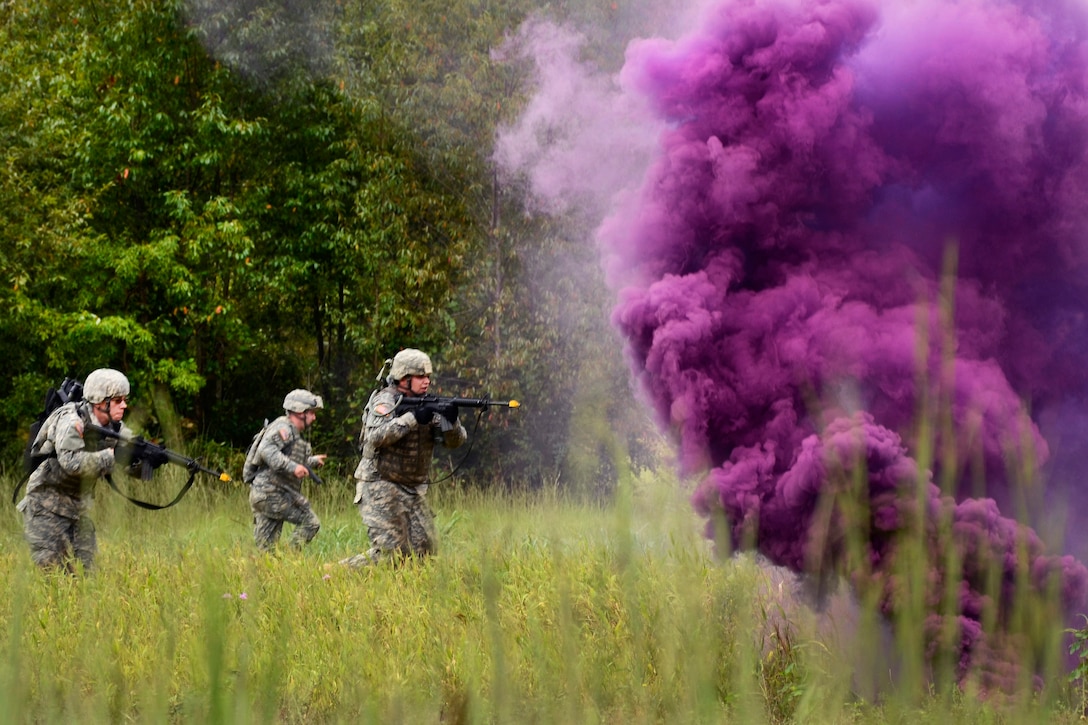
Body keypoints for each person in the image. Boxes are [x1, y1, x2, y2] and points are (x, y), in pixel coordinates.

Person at [339, 348, 466, 568]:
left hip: (413, 487)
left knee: (426, 551)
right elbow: (374, 437)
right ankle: (339, 573)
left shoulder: (429, 403)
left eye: (428, 376)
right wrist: (412, 418)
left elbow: (454, 442)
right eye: (420, 376)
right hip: (381, 483)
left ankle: (409, 593)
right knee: (390, 554)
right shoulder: (386, 401)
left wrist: (451, 423)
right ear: (404, 378)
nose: (426, 381)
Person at [18, 368, 148, 572]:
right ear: (99, 402)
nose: (124, 405)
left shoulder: (116, 428)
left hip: (78, 511)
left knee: (87, 577)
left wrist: (142, 460)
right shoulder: (71, 421)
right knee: (54, 577)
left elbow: (129, 463)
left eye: (124, 399)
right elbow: (72, 463)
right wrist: (112, 456)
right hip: (46, 509)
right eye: (117, 400)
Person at [248, 389, 327, 552]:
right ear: (299, 412)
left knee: (266, 551)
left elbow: (285, 458)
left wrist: (311, 461)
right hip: (272, 493)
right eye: (311, 413)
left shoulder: (290, 431)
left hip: (264, 494)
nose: (314, 417)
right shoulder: (283, 428)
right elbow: (267, 450)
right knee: (310, 523)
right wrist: (293, 467)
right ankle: (290, 556)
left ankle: (272, 570)